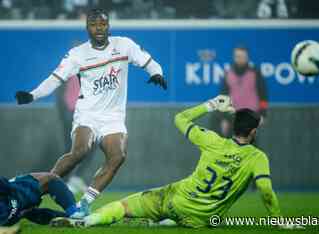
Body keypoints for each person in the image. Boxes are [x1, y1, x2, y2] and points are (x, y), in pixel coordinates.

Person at [50, 95, 301, 229]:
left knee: (125, 206)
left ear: (233, 126)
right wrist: (278, 220)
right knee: (173, 215)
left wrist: (211, 104)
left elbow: (180, 118)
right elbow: (266, 191)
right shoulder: (258, 158)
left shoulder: (211, 140)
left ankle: (88, 221)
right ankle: (162, 219)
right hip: (203, 220)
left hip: (176, 200)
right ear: (254, 133)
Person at [15, 8, 167, 217]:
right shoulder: (77, 54)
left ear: (108, 27)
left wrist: (157, 73)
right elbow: (55, 79)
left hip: (113, 117)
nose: (99, 29)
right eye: (94, 25)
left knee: (118, 156)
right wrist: (33, 95)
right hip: (87, 114)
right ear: (87, 28)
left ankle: (84, 204)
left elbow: (148, 61)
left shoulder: (124, 45)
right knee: (80, 151)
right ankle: (38, 189)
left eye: (103, 24)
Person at [212, 46, 268, 138]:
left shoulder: (255, 73)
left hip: (251, 117)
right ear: (234, 57)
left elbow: (263, 94)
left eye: (243, 56)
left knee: (249, 148)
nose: (240, 59)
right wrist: (224, 118)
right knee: (231, 148)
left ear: (247, 57)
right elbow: (223, 97)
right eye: (238, 56)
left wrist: (263, 114)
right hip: (232, 117)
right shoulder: (227, 73)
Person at [0, 172, 81, 227]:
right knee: (51, 179)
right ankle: (75, 214)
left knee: (28, 212)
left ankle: (73, 218)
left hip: (13, 213)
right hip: (20, 200)